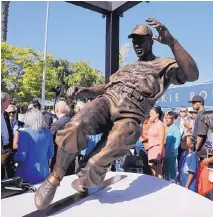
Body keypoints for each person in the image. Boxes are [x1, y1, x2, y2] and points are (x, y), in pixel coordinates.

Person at [35, 18, 199, 210]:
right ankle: (55, 177)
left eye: (141, 41)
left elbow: (191, 74)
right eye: (134, 41)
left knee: (99, 158)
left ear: (151, 41)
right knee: (76, 125)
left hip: (132, 112)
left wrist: (172, 42)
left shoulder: (164, 65)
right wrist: (84, 89)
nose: (137, 45)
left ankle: (89, 175)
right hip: (109, 100)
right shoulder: (126, 68)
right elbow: (105, 87)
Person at [14, 109, 54, 184]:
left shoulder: (24, 133)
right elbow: (50, 154)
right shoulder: (48, 133)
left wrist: (13, 156)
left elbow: (21, 157)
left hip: (26, 174)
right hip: (44, 173)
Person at [49, 101, 72, 173]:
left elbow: (50, 140)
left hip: (58, 158)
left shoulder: (56, 124)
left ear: (56, 110)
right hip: (72, 157)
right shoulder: (73, 120)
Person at [146, 106, 165, 178]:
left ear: (157, 114)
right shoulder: (152, 124)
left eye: (152, 113)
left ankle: (161, 186)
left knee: (158, 171)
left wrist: (159, 154)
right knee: (153, 170)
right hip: (151, 149)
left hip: (157, 149)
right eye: (150, 113)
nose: (150, 115)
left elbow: (161, 141)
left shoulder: (160, 125)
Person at [163, 111, 181, 181]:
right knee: (165, 170)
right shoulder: (164, 128)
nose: (167, 120)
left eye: (169, 118)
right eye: (166, 118)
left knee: (171, 170)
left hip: (171, 154)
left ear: (173, 120)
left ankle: (173, 182)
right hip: (164, 153)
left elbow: (177, 142)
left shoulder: (175, 128)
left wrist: (171, 150)